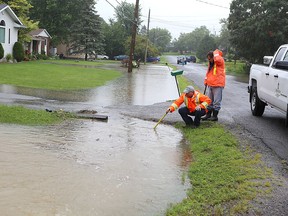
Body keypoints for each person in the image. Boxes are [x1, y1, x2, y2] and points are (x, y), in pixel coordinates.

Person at [201, 49, 226, 121]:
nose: (209, 60)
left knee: (216, 101)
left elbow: (217, 59)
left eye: (210, 59)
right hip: (210, 84)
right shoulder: (211, 63)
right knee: (209, 101)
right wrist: (206, 81)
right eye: (208, 59)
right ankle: (208, 115)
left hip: (218, 84)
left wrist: (215, 53)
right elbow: (208, 73)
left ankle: (215, 116)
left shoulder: (219, 61)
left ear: (213, 57)